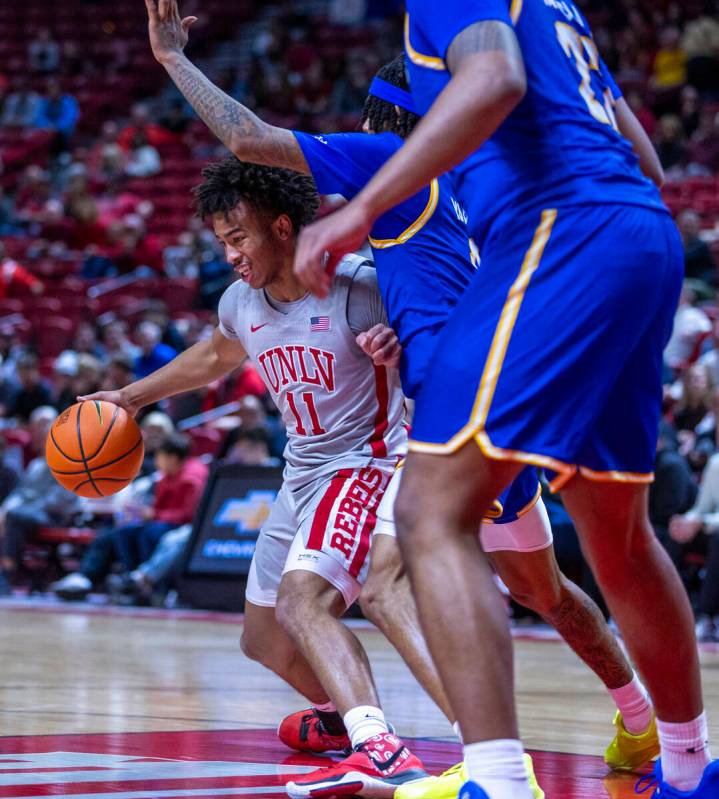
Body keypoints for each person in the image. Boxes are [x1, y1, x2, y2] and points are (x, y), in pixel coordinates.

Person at [143, 4, 660, 795]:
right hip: (520, 365)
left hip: (454, 404)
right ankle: (639, 717)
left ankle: (471, 759)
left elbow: (250, 140)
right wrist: (397, 334)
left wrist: (175, 60)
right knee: (546, 588)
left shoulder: (388, 155)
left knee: (390, 576)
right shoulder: (494, 175)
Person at [290, 3, 716, 798]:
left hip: (562, 232)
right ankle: (691, 766)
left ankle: (496, 778)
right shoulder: (556, 8)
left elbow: (492, 78)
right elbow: (647, 160)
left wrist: (356, 207)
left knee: (430, 511)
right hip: (638, 234)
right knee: (615, 535)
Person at [79, 156, 436, 796]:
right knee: (262, 638)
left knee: (304, 601)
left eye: (237, 237)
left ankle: (381, 749)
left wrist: (404, 352)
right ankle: (348, 719)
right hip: (300, 473)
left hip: (368, 462)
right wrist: (131, 399)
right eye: (221, 242)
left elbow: (439, 347)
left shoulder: (360, 285)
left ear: (279, 227)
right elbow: (216, 354)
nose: (230, 254)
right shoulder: (241, 300)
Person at [51, 432, 207, 598]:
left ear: (173, 458)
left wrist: (154, 514)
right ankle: (131, 582)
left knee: (150, 533)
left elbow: (188, 514)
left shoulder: (193, 478)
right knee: (124, 533)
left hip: (183, 527)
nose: (156, 461)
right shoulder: (167, 475)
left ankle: (153, 588)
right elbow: (157, 507)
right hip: (162, 521)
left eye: (159, 456)